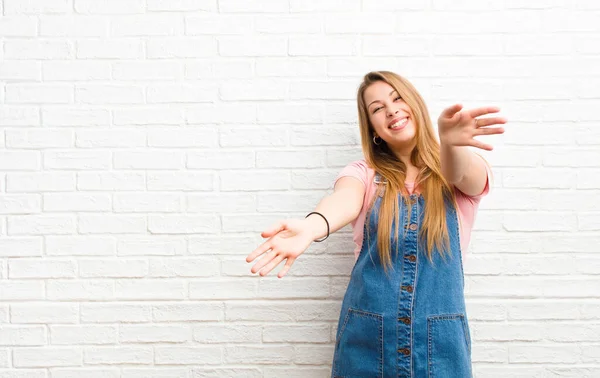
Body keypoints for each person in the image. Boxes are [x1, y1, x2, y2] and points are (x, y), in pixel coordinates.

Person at [246, 71, 506, 377]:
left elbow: (462, 174)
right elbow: (344, 199)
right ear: (373, 130)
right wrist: (312, 226)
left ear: (415, 104)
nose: (391, 110)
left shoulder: (455, 173)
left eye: (397, 98)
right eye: (377, 108)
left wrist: (450, 144)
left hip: (441, 348)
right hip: (367, 344)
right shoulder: (363, 173)